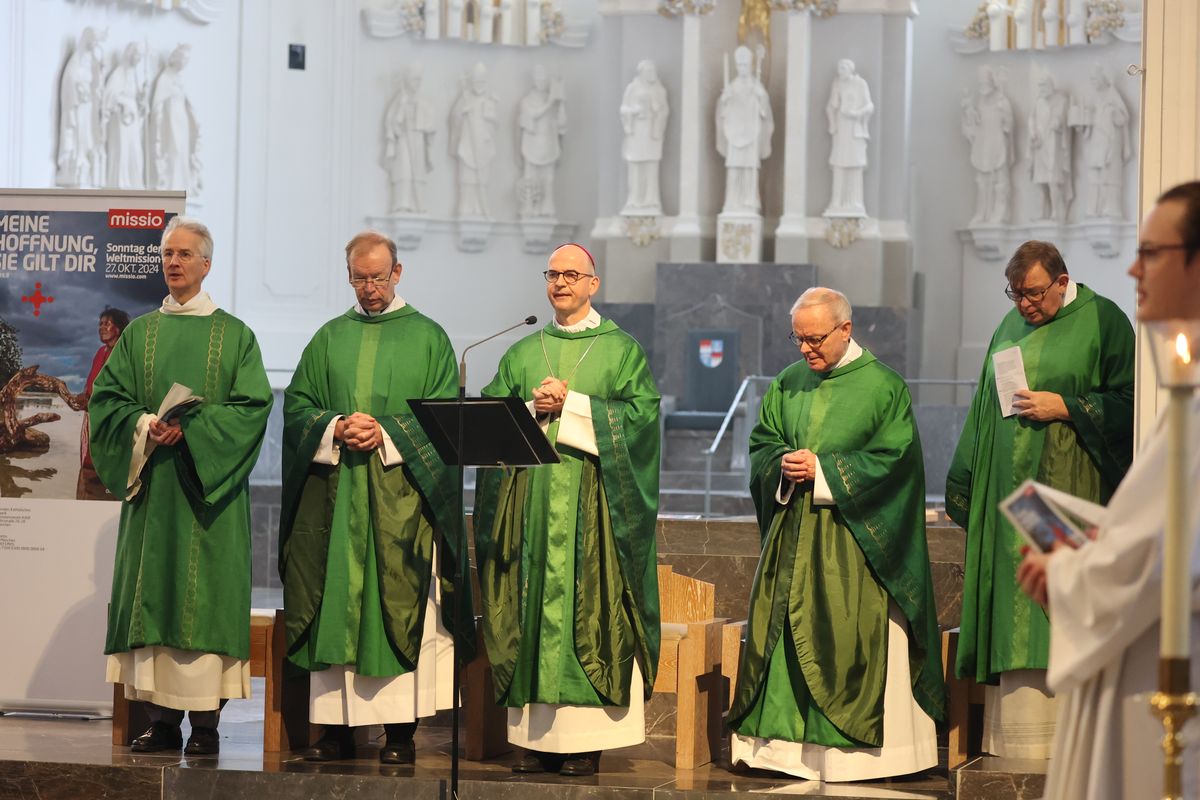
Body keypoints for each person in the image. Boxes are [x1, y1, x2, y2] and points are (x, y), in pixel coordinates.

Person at [1014, 181, 1200, 800]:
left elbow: (1166, 554)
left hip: (1166, 669)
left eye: (1151, 251)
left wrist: (1071, 570)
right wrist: (1091, 546)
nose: (1132, 267)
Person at [727, 287, 944, 781]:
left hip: (855, 545)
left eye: (815, 338)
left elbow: (897, 462)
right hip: (792, 538)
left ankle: (857, 760)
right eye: (798, 339)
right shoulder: (787, 382)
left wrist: (824, 471)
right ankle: (782, 754)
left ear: (846, 329)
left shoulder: (884, 387)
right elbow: (762, 444)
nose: (805, 349)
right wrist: (781, 465)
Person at [279, 231, 472, 764]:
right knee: (336, 602)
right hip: (336, 501)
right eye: (359, 278)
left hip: (400, 502)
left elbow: (442, 421)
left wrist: (384, 433)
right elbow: (297, 409)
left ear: (398, 273)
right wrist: (336, 426)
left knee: (399, 605)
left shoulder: (429, 338)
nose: (369, 288)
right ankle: (337, 733)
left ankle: (400, 734)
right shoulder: (327, 338)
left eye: (378, 277)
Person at [473, 243, 661, 778]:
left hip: (592, 509)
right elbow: (493, 415)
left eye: (572, 275)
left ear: (593, 284)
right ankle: (534, 742)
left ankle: (585, 741)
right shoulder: (523, 350)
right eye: (553, 274)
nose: (560, 283)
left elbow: (643, 421)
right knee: (532, 610)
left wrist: (574, 406)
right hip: (532, 506)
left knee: (590, 610)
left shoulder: (621, 350)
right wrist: (534, 407)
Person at [89, 216, 272, 755]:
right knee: (157, 598)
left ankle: (208, 727)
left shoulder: (235, 335)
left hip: (207, 498)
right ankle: (162, 723)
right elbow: (107, 402)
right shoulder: (140, 334)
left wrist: (190, 429)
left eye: (184, 254)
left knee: (207, 603)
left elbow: (251, 409)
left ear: (207, 264)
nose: (173, 262)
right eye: (167, 254)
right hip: (154, 495)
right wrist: (146, 425)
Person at [947, 240, 1135, 759]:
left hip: (1067, 493)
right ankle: (1014, 748)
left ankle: (1070, 749)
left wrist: (1069, 406)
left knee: (1054, 612)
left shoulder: (1105, 321)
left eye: (1032, 293)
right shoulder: (1008, 327)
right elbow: (986, 407)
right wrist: (969, 480)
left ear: (1061, 280)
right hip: (1012, 500)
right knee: (1016, 613)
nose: (1024, 305)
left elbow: (1134, 405)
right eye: (1015, 294)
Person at [77, 307, 129, 500]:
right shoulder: (100, 352)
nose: (101, 328)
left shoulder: (125, 353)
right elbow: (90, 383)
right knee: (88, 471)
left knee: (109, 474)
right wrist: (83, 396)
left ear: (119, 327)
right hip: (91, 421)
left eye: (106, 323)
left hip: (112, 424)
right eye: (100, 324)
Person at [715, 45, 773, 215]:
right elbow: (723, 113)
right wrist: (724, 101)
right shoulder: (731, 86)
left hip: (751, 133)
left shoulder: (757, 86)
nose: (742, 69)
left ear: (751, 66)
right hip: (734, 133)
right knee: (734, 167)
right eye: (740, 65)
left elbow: (765, 112)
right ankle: (733, 200)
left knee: (749, 168)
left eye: (745, 65)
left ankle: (749, 200)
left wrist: (761, 97)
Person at [962, 66, 1014, 225]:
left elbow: (1008, 125)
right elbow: (974, 125)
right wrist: (969, 114)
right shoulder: (979, 102)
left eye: (985, 82)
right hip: (983, 145)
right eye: (981, 83)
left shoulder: (1002, 101)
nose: (983, 86)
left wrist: (1004, 114)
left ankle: (1000, 212)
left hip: (998, 145)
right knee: (982, 181)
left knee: (999, 180)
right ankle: (982, 212)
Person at [618, 60, 669, 217]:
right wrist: (634, 111)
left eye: (652, 71)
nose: (651, 74)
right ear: (641, 72)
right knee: (635, 165)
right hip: (636, 131)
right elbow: (624, 108)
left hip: (651, 131)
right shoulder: (632, 88)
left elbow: (664, 110)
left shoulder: (659, 90)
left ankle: (650, 200)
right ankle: (634, 199)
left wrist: (656, 111)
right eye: (648, 71)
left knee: (650, 165)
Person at [824, 59, 873, 218]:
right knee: (839, 162)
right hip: (842, 128)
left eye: (843, 68)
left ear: (850, 69)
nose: (840, 71)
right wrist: (832, 122)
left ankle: (855, 202)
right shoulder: (837, 84)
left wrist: (857, 113)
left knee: (855, 164)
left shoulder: (860, 84)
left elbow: (869, 106)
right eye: (839, 68)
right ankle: (837, 201)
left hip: (855, 129)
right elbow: (831, 106)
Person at [151, 44, 202, 195]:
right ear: (176, 59)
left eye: (187, 60)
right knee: (173, 149)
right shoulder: (165, 78)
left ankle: (183, 184)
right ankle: (170, 183)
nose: (185, 62)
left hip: (182, 121)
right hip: (170, 121)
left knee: (182, 151)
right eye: (183, 59)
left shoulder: (180, 80)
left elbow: (188, 103)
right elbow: (158, 102)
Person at [1082, 66, 1132, 219]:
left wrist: (1111, 112)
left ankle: (1110, 209)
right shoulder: (1095, 97)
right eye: (1091, 80)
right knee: (1094, 177)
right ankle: (1093, 208)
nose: (1094, 82)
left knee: (1109, 176)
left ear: (1102, 78)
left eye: (1095, 79)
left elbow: (1123, 118)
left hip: (1110, 142)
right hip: (1097, 142)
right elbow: (1088, 121)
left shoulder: (1112, 94)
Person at [517, 65, 566, 219]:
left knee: (548, 179)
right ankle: (529, 207)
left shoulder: (552, 100)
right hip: (532, 144)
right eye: (539, 78)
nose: (542, 82)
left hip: (548, 143)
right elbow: (532, 115)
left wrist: (561, 102)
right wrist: (550, 104)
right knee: (530, 177)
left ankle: (547, 207)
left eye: (544, 79)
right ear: (534, 80)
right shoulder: (527, 101)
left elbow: (562, 124)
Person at [384, 67, 435, 214]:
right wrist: (401, 107)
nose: (417, 83)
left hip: (418, 138)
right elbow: (392, 121)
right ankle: (402, 203)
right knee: (404, 169)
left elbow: (430, 124)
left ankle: (418, 203)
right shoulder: (400, 100)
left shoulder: (424, 102)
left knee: (418, 172)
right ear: (407, 81)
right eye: (414, 79)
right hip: (404, 139)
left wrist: (426, 127)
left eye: (419, 80)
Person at [449, 63, 498, 219]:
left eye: (482, 82)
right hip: (468, 145)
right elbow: (454, 118)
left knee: (482, 179)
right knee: (467, 177)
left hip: (482, 145)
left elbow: (495, 123)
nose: (479, 85)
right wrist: (462, 111)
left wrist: (489, 117)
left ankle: (482, 208)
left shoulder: (489, 101)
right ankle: (466, 208)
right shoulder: (464, 100)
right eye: (476, 82)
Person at [57, 27, 103, 188]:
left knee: (88, 136)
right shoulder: (76, 60)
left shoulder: (93, 61)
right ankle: (76, 163)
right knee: (78, 135)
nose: (95, 44)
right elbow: (69, 80)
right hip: (78, 105)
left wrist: (96, 88)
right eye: (93, 40)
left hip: (88, 106)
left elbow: (97, 84)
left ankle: (86, 165)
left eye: (97, 41)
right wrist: (79, 90)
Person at [101, 43, 148, 190]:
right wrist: (123, 104)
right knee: (122, 149)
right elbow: (110, 96)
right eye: (137, 55)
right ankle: (120, 183)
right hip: (121, 119)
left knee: (135, 150)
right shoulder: (119, 73)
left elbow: (136, 97)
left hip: (132, 120)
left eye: (141, 56)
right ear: (129, 54)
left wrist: (143, 97)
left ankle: (134, 182)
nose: (139, 59)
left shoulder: (134, 75)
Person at [1028, 74, 1072, 224]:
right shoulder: (1038, 103)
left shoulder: (1061, 101)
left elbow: (1060, 119)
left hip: (1054, 148)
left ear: (1050, 86)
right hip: (1040, 147)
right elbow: (1031, 120)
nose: (1042, 89)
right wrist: (1034, 135)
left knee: (1053, 181)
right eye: (1040, 87)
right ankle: (1042, 212)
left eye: (1044, 86)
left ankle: (1056, 212)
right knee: (1040, 182)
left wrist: (1056, 123)